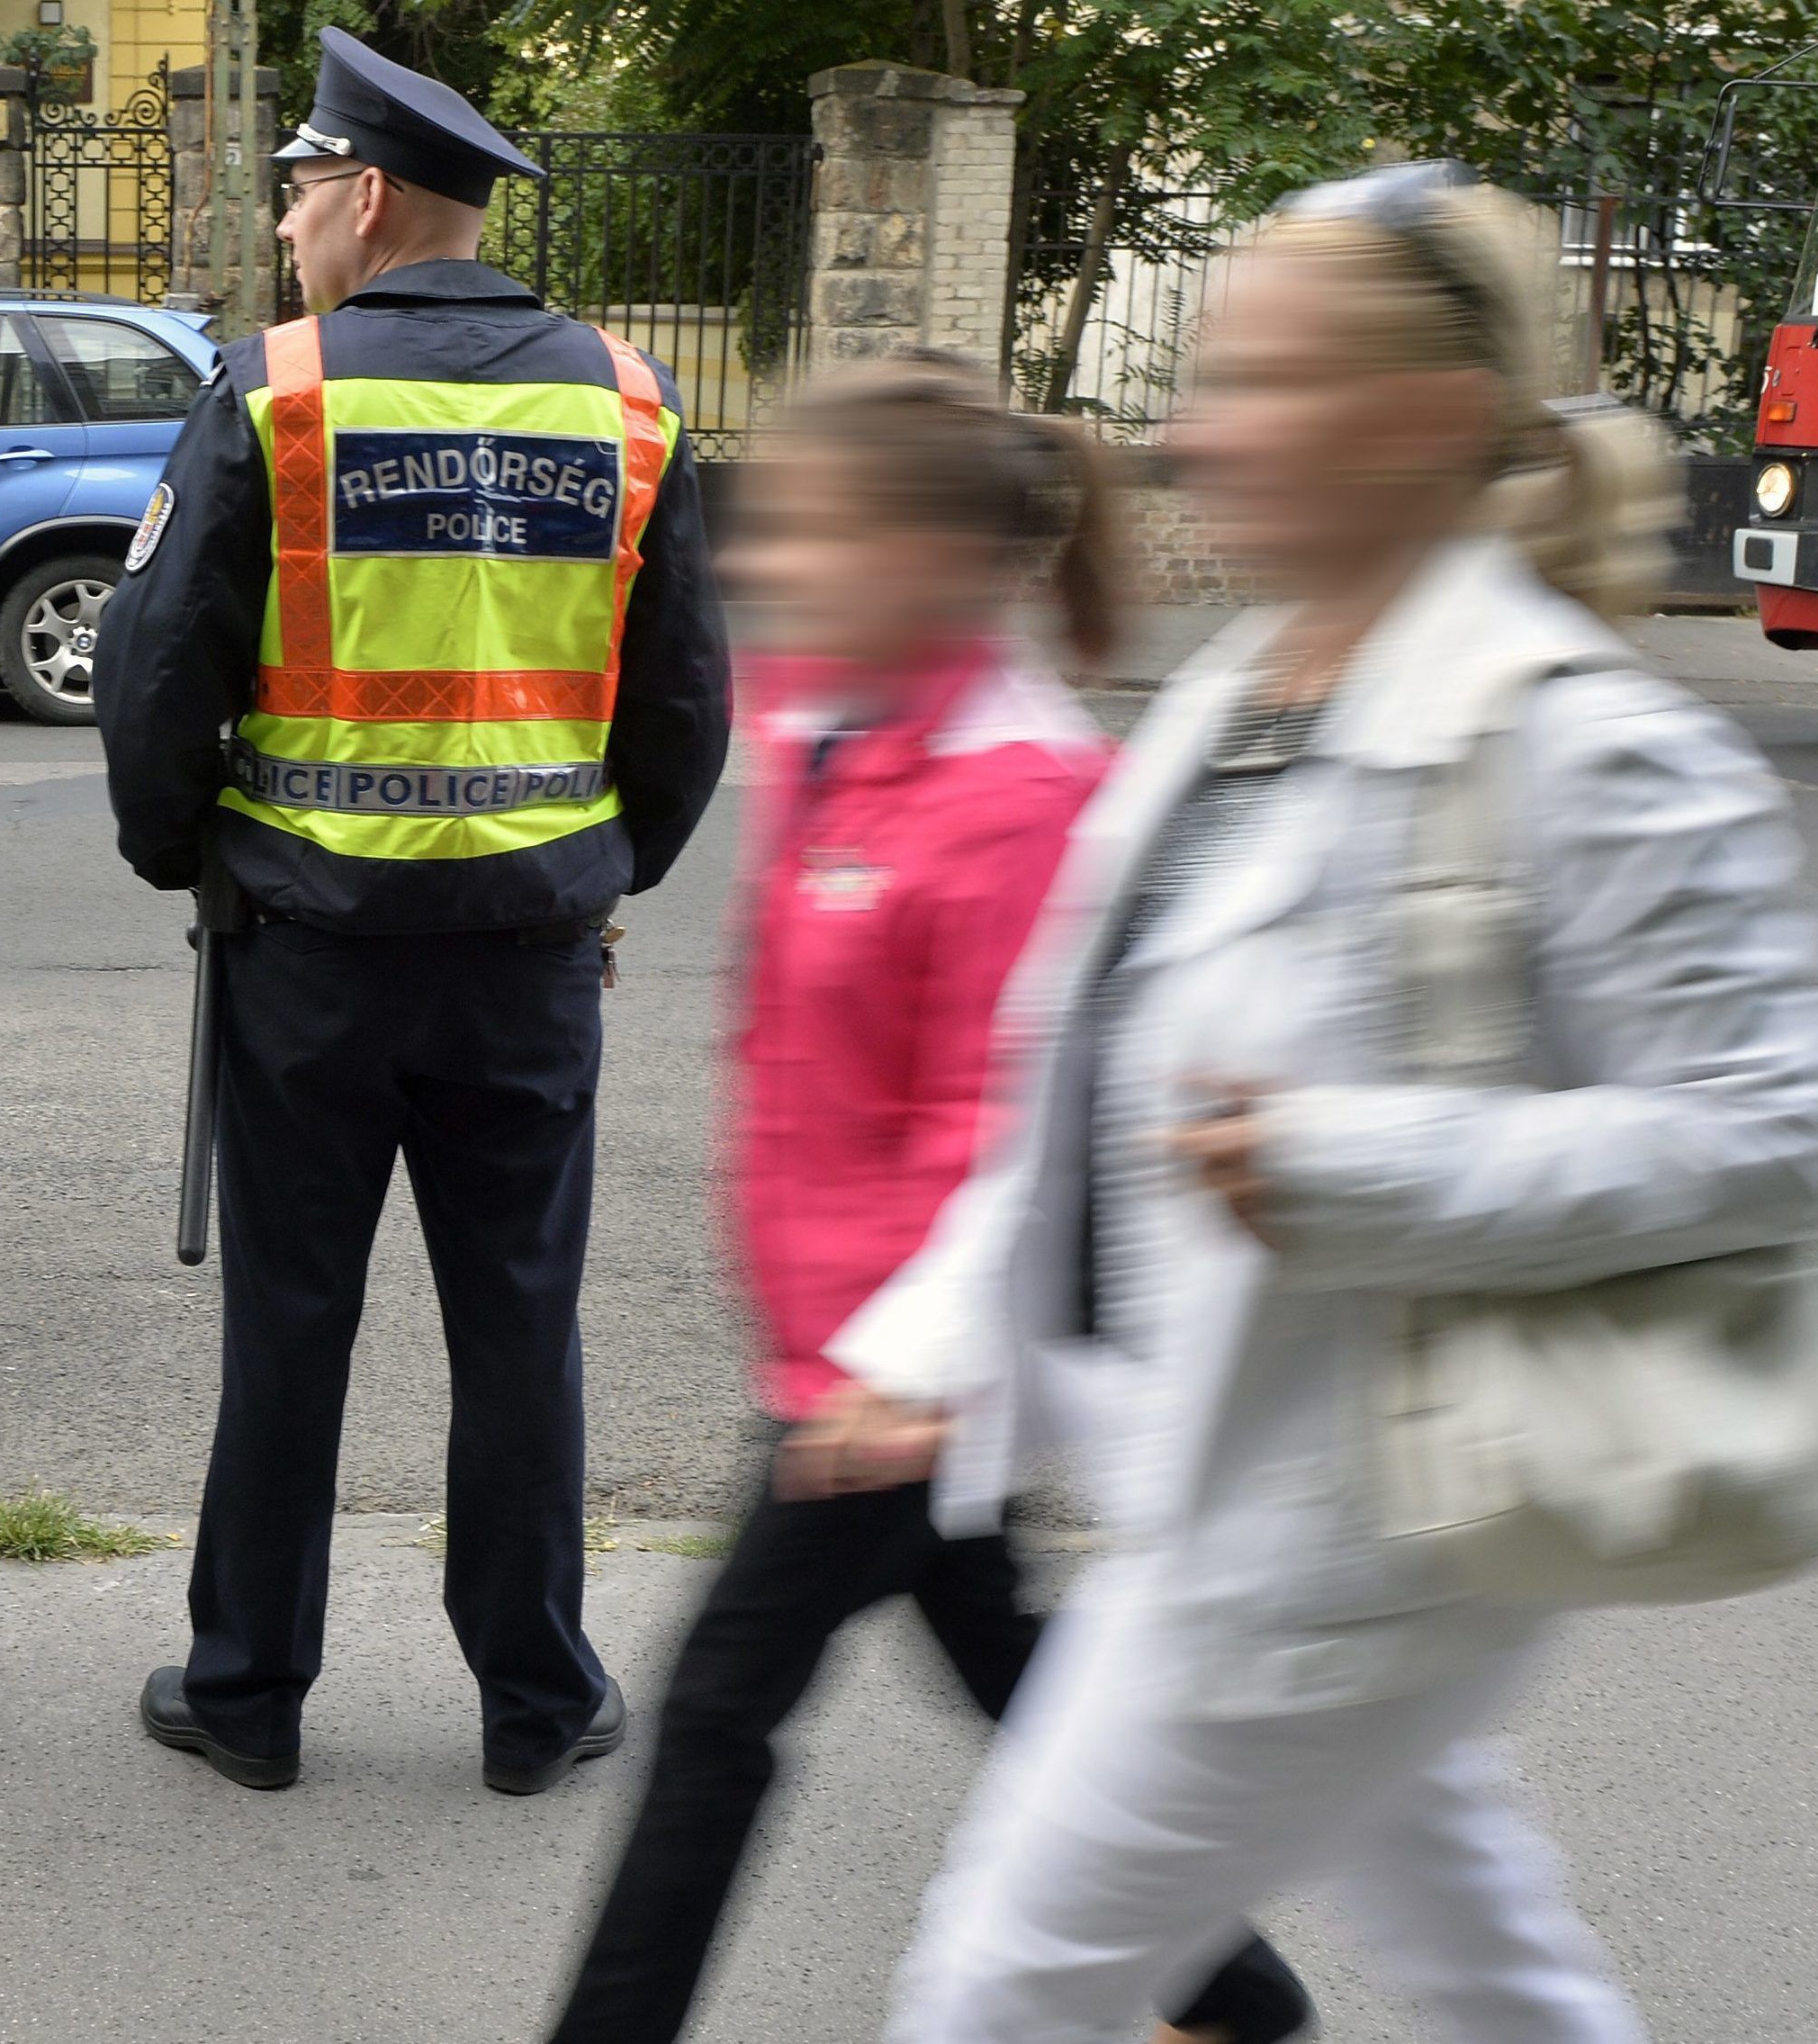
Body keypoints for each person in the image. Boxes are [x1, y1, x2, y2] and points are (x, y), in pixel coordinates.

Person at [857, 165, 1818, 2039]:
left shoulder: (1586, 739)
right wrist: (928, 1339)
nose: (1186, 429)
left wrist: (1366, 1163)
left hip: (1342, 1529)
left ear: (1413, 418)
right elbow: (1077, 1066)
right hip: (1222, 1475)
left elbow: (1782, 1129)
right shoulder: (1246, 684)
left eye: (1256, 379)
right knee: (1498, 1976)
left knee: (992, 1993)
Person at [541, 356, 1311, 2044]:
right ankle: (1234, 1993)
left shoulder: (1021, 794)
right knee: (1010, 1674)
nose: (767, 569)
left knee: (716, 1711)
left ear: (938, 562)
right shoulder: (842, 718)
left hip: (900, 1372)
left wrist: (902, 1366)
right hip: (838, 1341)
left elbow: (1014, 1127)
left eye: (814, 536)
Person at [97, 25, 729, 1796]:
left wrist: (193, 856)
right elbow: (683, 708)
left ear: (364, 197)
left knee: (292, 1322)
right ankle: (535, 1702)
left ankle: (249, 1695)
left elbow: (155, 688)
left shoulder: (276, 393)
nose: (291, 223)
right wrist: (597, 872)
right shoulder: (626, 401)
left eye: (300, 192)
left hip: (306, 956)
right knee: (520, 1324)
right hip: (532, 963)